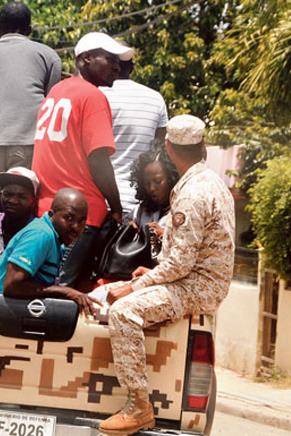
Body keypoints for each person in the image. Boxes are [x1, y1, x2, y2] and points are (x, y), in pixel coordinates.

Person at [95, 114, 235, 435]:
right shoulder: (210, 182)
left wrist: (136, 287)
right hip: (199, 280)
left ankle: (139, 406)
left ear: (169, 149)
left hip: (196, 285)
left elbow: (180, 266)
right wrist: (145, 277)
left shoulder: (191, 193)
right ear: (204, 147)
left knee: (123, 312)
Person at [31, 32, 133, 290]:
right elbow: (98, 159)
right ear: (86, 59)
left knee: (42, 285)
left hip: (46, 209)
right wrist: (117, 205)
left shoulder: (57, 91)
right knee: (59, 292)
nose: (116, 66)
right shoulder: (92, 97)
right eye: (109, 59)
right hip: (81, 215)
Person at [0, 1, 62, 210]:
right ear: (29, 29)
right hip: (30, 146)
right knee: (24, 210)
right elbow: (52, 108)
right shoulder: (48, 55)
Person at [0, 188, 98, 315]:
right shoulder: (41, 234)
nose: (76, 227)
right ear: (51, 215)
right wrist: (65, 291)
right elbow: (12, 285)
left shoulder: (56, 240)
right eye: (69, 218)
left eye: (82, 220)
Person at [100, 59, 168, 214]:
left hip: (101, 202)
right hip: (140, 204)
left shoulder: (97, 95)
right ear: (132, 67)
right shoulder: (155, 98)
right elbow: (159, 151)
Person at [128, 147, 179, 259]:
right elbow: (127, 222)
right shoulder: (141, 211)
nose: (151, 188)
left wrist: (163, 235)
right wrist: (130, 228)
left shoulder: (182, 210)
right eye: (146, 183)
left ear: (172, 178)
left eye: (157, 181)